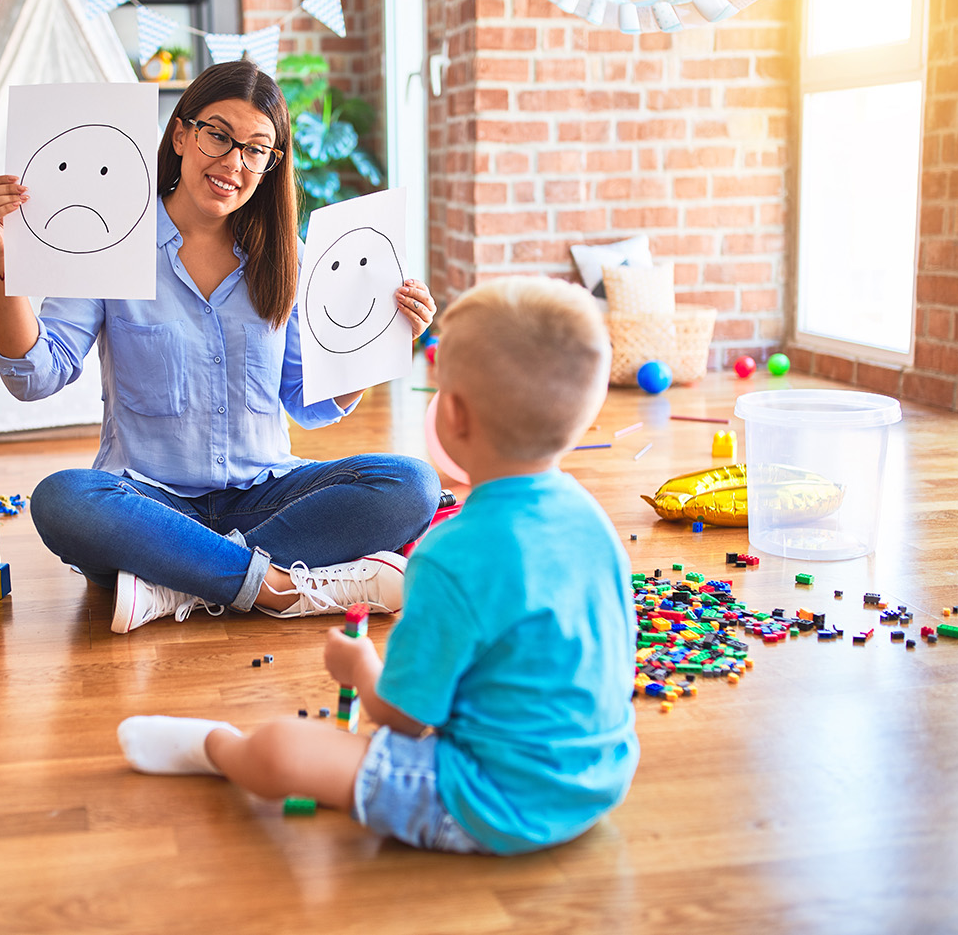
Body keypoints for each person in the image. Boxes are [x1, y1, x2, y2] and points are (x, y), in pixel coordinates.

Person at [116, 277, 639, 855]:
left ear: (454, 417)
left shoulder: (451, 556)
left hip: (491, 800)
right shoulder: (594, 521)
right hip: (601, 779)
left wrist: (362, 666)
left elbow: (403, 720)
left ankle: (217, 747)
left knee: (283, 751)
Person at [0, 61, 442, 634]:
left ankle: (176, 585)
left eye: (255, 149)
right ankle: (274, 586)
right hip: (146, 504)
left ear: (270, 165)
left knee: (412, 484)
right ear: (182, 134)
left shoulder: (287, 253)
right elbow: (35, 375)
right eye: (218, 135)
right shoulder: (112, 239)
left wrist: (375, 344)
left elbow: (307, 400)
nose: (233, 163)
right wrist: (3, 262)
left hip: (263, 494)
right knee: (62, 499)